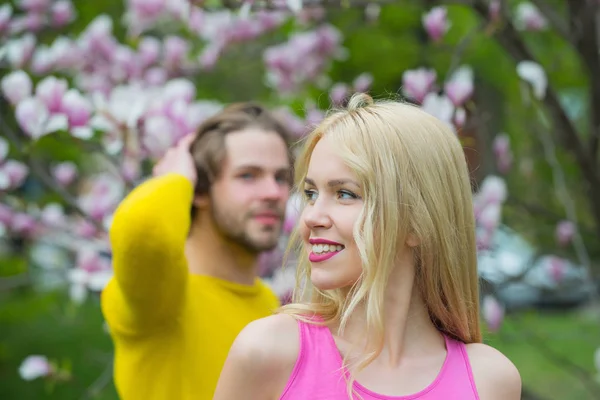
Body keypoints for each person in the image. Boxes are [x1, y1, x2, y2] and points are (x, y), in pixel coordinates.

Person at [213, 93, 522, 400]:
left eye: (345, 194)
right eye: (310, 194)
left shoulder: (489, 381)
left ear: (418, 221)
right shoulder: (269, 352)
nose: (311, 217)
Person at [101, 102, 294, 400]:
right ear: (200, 190)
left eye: (280, 177)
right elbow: (143, 231)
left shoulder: (270, 306)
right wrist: (176, 179)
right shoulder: (162, 297)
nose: (273, 192)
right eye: (248, 175)